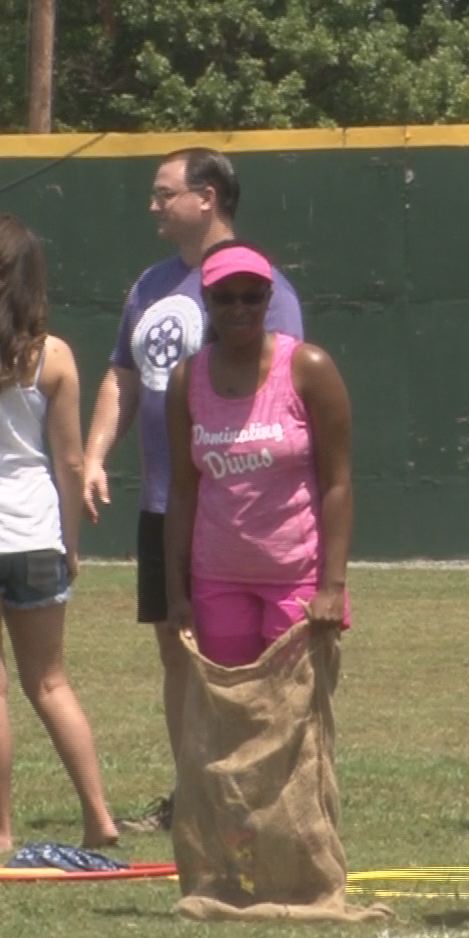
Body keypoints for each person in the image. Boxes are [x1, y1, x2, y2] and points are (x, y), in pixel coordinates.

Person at [82, 148, 303, 833]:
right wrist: (94, 455)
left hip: (229, 507)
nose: (153, 205)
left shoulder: (256, 288)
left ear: (206, 198)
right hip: (161, 505)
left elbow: (281, 385)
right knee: (178, 654)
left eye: (164, 192)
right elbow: (122, 373)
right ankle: (193, 799)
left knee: (243, 659)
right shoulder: (150, 284)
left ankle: (258, 794)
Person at [162, 244, 352, 670]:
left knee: (297, 720)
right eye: (225, 298)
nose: (239, 308)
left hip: (296, 579)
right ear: (206, 302)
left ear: (269, 299)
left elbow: (338, 484)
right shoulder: (187, 379)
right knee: (233, 718)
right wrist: (177, 594)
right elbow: (182, 490)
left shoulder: (308, 367)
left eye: (252, 296)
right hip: (218, 581)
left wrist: (332, 587)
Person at [0, 215, 118, 853]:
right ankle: (99, 815)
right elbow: (71, 462)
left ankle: (1, 830)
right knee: (50, 682)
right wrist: (70, 542)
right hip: (36, 531)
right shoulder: (55, 355)